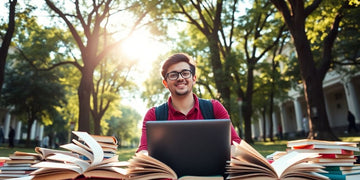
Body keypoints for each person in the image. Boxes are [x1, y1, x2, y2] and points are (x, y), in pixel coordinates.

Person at [137, 53, 241, 155]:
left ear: (194, 78)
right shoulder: (154, 115)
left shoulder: (214, 108)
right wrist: (145, 158)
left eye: (185, 73)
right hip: (168, 172)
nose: (180, 78)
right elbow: (143, 150)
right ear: (165, 83)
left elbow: (235, 143)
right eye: (173, 75)